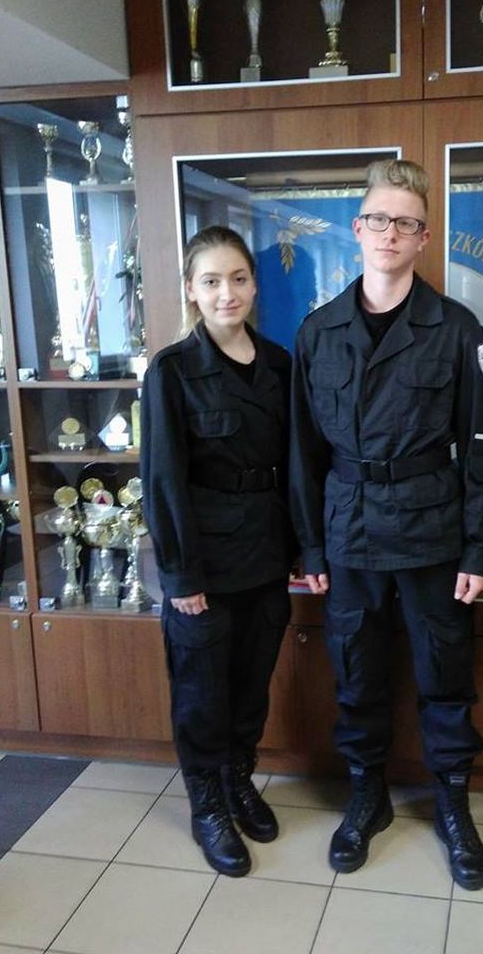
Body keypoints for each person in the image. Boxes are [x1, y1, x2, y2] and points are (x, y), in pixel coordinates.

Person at [290, 158, 483, 890]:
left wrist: (480, 550)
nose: (391, 233)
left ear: (423, 238)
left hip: (431, 532)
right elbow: (303, 453)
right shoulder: (318, 332)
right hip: (348, 531)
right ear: (357, 229)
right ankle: (368, 796)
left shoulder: (457, 330)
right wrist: (310, 546)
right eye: (379, 219)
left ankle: (453, 804)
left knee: (446, 676)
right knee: (357, 674)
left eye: (406, 223)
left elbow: (482, 450)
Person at [141, 225, 294, 877]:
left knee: (250, 686)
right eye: (210, 281)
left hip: (266, 554)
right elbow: (162, 478)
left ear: (254, 285)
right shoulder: (173, 370)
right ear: (191, 291)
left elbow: (296, 467)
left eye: (237, 278)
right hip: (203, 563)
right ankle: (207, 804)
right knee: (202, 693)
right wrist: (180, 575)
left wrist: (301, 551)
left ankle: (237, 780)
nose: (226, 292)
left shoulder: (279, 364)